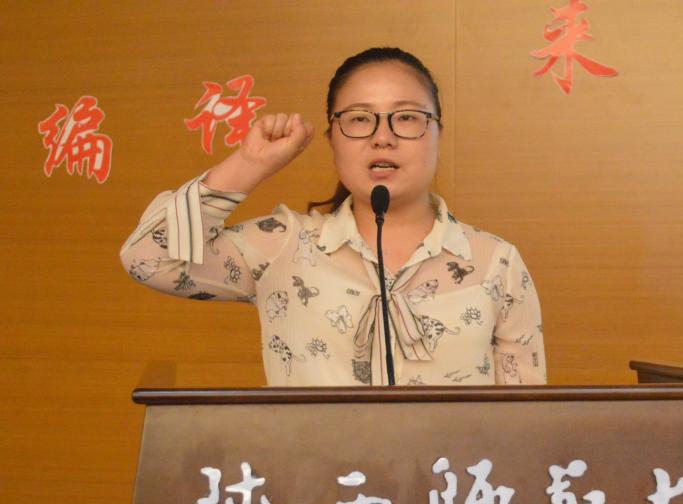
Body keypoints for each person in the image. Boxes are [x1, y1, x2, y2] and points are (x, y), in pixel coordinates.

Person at [120, 47, 546, 387]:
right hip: (312, 475)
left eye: (407, 118)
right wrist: (250, 165)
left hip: (452, 476)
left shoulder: (495, 262)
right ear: (332, 139)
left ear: (438, 133)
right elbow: (146, 258)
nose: (383, 137)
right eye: (359, 119)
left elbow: (521, 422)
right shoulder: (283, 245)